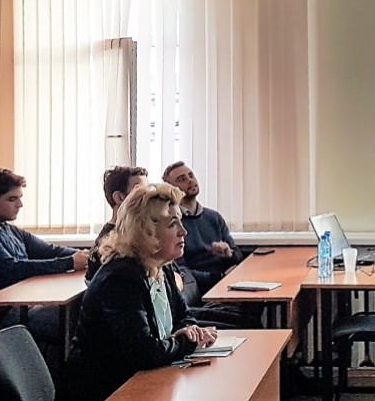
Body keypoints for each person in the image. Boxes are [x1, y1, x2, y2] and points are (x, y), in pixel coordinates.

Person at [64, 183, 218, 401]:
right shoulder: (121, 279)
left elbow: (184, 316)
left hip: (150, 380)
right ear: (146, 232)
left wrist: (190, 331)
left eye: (180, 222)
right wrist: (188, 342)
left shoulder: (162, 266)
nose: (183, 232)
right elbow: (144, 353)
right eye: (173, 224)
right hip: (109, 390)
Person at [0, 168, 88, 332]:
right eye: (12, 199)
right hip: (4, 316)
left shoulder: (11, 230)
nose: (20, 205)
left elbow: (50, 251)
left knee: (83, 305)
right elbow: (13, 269)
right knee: (81, 313)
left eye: (19, 198)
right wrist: (70, 262)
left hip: (24, 306)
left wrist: (88, 256)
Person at [162, 161, 243, 295]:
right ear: (171, 189)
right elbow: (181, 272)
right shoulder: (172, 224)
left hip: (227, 284)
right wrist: (220, 278)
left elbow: (238, 256)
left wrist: (229, 254)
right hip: (201, 291)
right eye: (182, 179)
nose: (190, 180)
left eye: (191, 175)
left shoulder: (214, 217)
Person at [85, 165, 149, 282]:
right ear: (119, 197)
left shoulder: (141, 231)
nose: (149, 197)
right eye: (139, 191)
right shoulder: (112, 243)